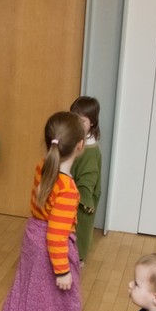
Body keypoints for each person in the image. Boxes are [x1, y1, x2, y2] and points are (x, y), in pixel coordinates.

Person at [0, 112, 88, 311]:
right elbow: (56, 235)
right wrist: (63, 271)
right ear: (80, 146)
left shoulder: (43, 165)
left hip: (33, 236)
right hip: (53, 246)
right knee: (67, 297)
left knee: (30, 289)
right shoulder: (68, 189)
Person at [69, 96, 102, 264]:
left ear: (92, 123)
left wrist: (84, 199)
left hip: (83, 197)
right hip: (73, 192)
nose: (76, 123)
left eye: (81, 121)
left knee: (81, 227)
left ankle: (78, 257)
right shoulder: (77, 140)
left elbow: (89, 177)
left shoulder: (90, 150)